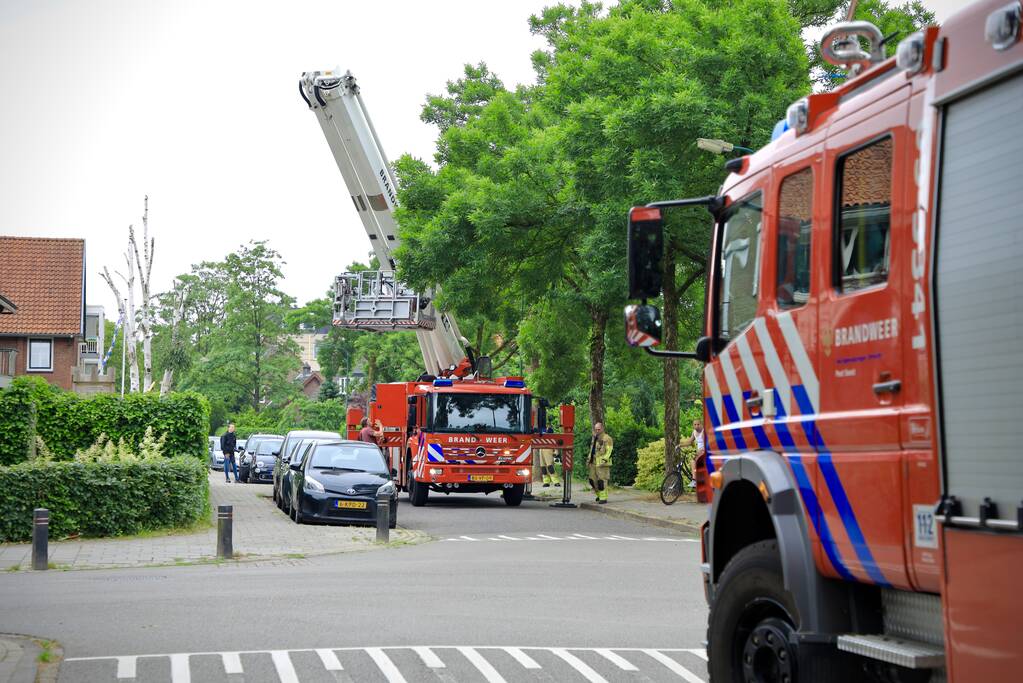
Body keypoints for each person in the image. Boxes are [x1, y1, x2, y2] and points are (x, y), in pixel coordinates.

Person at [587, 422, 613, 504]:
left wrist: (604, 459)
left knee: (601, 481)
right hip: (593, 462)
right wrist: (588, 460)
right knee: (592, 480)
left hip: (602, 463)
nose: (597, 430)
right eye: (596, 429)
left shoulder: (607, 438)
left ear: (602, 428)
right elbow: (592, 450)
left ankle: (603, 498)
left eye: (599, 429)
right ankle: (598, 495)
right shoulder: (595, 437)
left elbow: (609, 451)